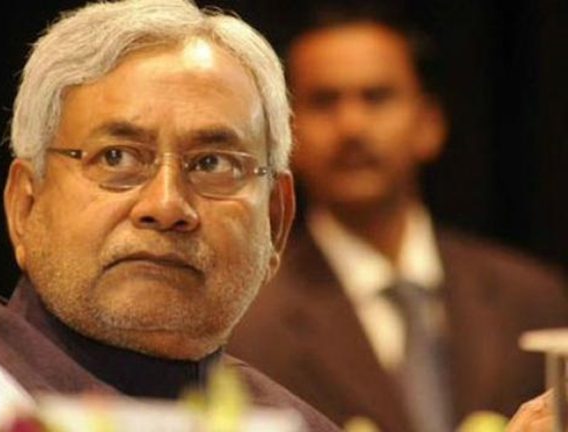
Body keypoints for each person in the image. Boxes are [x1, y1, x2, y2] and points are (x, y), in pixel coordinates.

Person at [0, 0, 339, 430]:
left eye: (213, 164)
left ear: (276, 222)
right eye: (117, 157)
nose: (167, 206)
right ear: (25, 206)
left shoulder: (296, 423)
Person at [227, 3, 568, 432]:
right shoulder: (249, 322)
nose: (352, 126)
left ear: (429, 123)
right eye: (325, 101)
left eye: (377, 97)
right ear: (286, 136)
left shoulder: (533, 299)